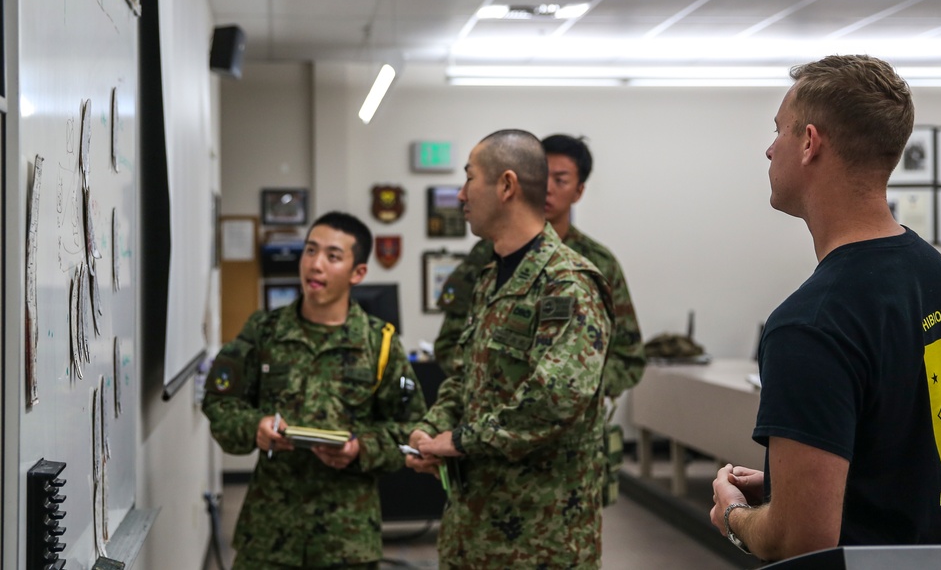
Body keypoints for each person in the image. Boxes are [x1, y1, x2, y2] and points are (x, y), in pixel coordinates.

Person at [710, 55, 941, 561]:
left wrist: (732, 513)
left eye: (780, 132)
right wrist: (786, 486)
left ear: (810, 143)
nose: (770, 150)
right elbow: (913, 459)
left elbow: (802, 541)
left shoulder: (810, 324)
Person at [407, 129, 614, 569]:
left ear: (506, 186)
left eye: (469, 179)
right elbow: (466, 377)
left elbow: (555, 399)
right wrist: (430, 431)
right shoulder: (489, 279)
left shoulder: (567, 283)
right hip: (473, 527)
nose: (461, 194)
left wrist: (458, 441)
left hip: (541, 539)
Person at [202, 211, 425, 569]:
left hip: (346, 539)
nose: (315, 265)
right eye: (310, 251)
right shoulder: (264, 331)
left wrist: (360, 447)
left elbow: (412, 430)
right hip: (270, 534)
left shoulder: (379, 343)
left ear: (358, 273)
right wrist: (255, 428)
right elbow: (219, 402)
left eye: (332, 256)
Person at [434, 134, 645, 398]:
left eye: (560, 180)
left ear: (578, 191)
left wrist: (581, 386)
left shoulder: (597, 263)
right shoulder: (488, 255)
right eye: (541, 174)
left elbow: (629, 358)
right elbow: (450, 342)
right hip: (487, 415)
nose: (547, 187)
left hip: (566, 418)